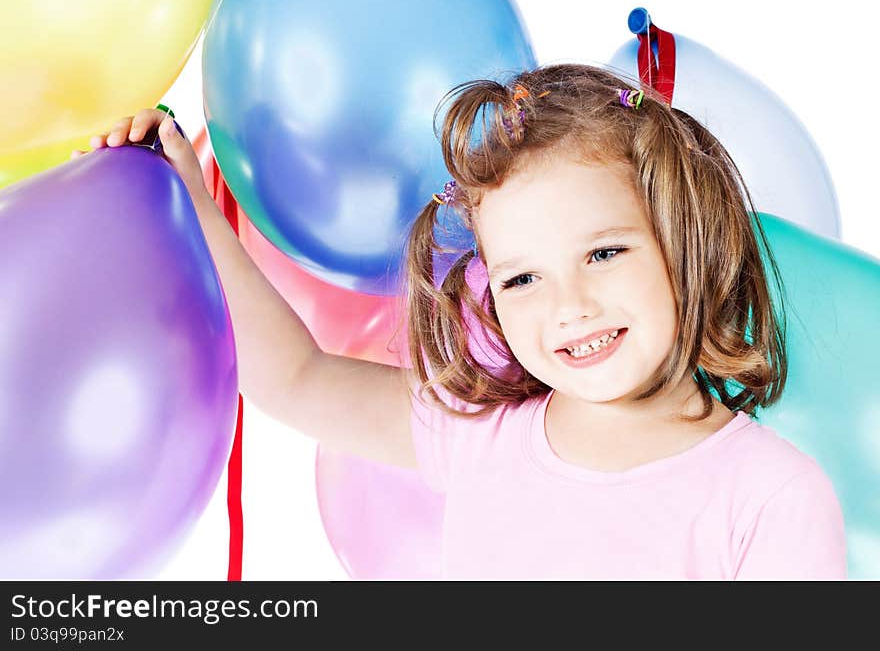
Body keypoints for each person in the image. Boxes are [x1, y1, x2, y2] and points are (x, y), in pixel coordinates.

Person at [73, 63, 847, 580]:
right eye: (523, 277)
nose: (567, 304)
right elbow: (297, 379)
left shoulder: (770, 493)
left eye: (605, 252)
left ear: (685, 236)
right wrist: (189, 193)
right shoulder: (482, 438)